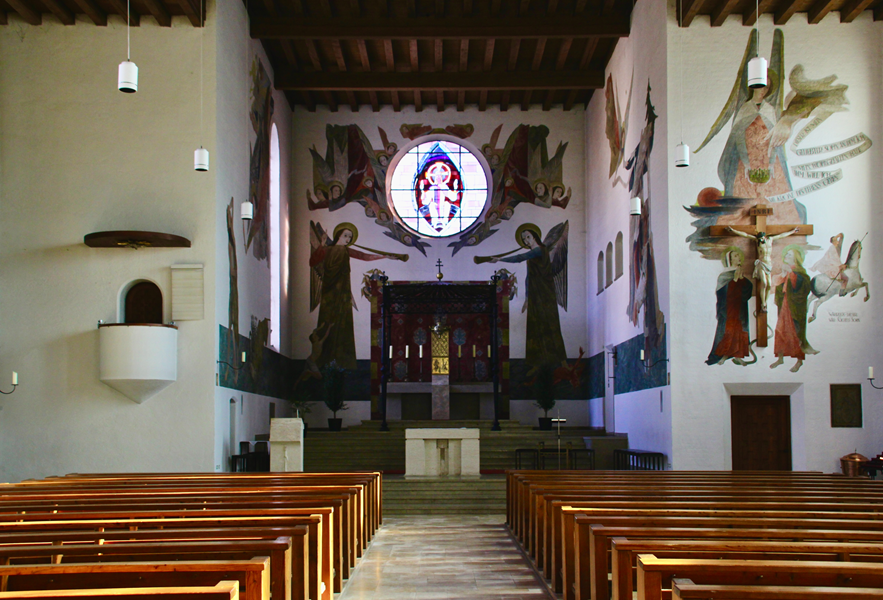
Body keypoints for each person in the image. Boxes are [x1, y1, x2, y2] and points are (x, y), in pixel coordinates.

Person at [309, 223, 405, 369]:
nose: (348, 239)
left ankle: (342, 360)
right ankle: (325, 359)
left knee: (342, 323)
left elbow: (364, 256)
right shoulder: (327, 250)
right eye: (345, 235)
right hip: (329, 294)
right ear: (338, 235)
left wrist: (385, 256)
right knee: (327, 322)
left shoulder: (347, 251)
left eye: (350, 237)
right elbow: (312, 262)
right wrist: (321, 246)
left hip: (343, 294)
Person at [489, 224, 567, 369]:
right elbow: (528, 277)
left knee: (550, 325)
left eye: (528, 237)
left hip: (545, 293)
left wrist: (499, 259)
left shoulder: (540, 250)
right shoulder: (534, 254)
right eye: (524, 239)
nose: (526, 241)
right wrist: (526, 298)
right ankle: (536, 364)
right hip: (535, 293)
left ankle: (562, 362)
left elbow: (520, 257)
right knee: (535, 326)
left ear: (535, 237)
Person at [726, 227, 798, 312]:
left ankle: (765, 303)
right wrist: (733, 230)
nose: (760, 240)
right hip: (761, 264)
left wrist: (792, 231)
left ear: (765, 237)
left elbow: (781, 236)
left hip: (769, 264)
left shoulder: (770, 239)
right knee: (764, 282)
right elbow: (745, 235)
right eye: (759, 239)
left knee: (769, 285)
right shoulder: (757, 241)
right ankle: (763, 303)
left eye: (761, 238)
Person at [770, 245, 817, 373]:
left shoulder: (801, 273)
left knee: (796, 333)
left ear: (796, 258)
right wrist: (784, 275)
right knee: (780, 331)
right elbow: (779, 286)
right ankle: (780, 358)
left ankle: (799, 361)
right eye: (786, 255)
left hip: (795, 308)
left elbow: (804, 287)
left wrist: (791, 274)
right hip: (785, 306)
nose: (786, 257)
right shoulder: (785, 271)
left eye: (789, 255)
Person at [706, 248, 754, 366]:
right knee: (729, 330)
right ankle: (724, 355)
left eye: (739, 255)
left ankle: (738, 356)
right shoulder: (724, 275)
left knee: (740, 330)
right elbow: (722, 294)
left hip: (740, 308)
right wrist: (735, 280)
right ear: (730, 260)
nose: (739, 257)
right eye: (736, 256)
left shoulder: (740, 272)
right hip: (728, 309)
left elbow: (747, 292)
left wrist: (742, 280)